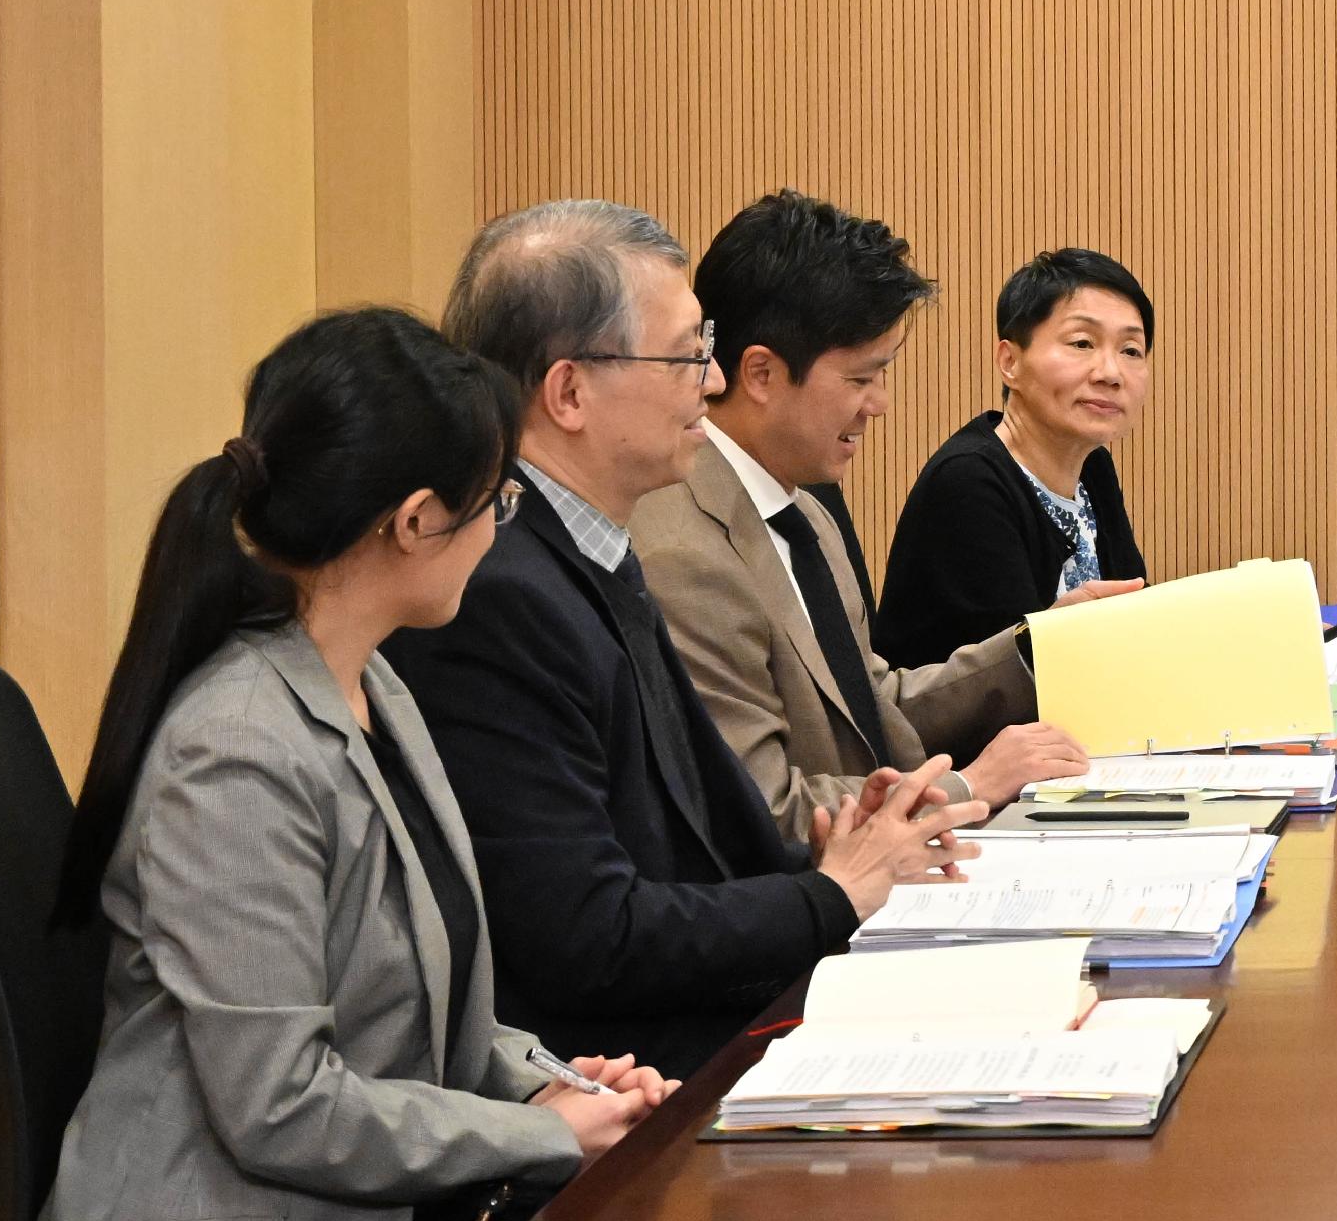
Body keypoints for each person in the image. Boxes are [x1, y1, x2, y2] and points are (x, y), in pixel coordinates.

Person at [0, 309, 671, 1221]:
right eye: (495, 502)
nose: (502, 530)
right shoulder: (237, 750)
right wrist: (537, 1137)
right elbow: (279, 1105)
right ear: (414, 521)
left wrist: (546, 1081)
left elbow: (421, 993)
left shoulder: (367, 681)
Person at [387, 202, 980, 1076]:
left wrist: (840, 841)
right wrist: (832, 893)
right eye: (686, 356)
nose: (711, 381)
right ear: (569, 392)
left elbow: (702, 828)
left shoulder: (592, 549)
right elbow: (587, 936)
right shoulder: (501, 591)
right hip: (626, 1081)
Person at [637, 191, 1090, 826]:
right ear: (761, 374)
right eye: (860, 378)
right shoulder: (681, 552)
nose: (879, 404)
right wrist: (968, 785)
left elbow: (871, 706)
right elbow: (762, 806)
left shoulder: (803, 510)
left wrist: (1040, 643)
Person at [873, 247, 1154, 668]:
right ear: (1010, 362)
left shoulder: (1093, 467)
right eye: (1082, 343)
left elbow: (1135, 620)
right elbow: (1003, 681)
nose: (1110, 373)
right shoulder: (969, 484)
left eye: (1131, 350)